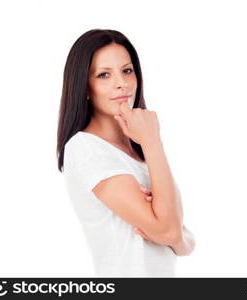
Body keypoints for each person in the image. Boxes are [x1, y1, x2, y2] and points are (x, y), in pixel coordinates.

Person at [56, 29, 195, 277]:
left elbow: (182, 237)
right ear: (85, 87)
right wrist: (153, 141)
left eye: (127, 70)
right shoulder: (86, 148)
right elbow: (170, 231)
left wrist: (180, 241)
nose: (121, 83)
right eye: (104, 75)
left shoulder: (141, 152)